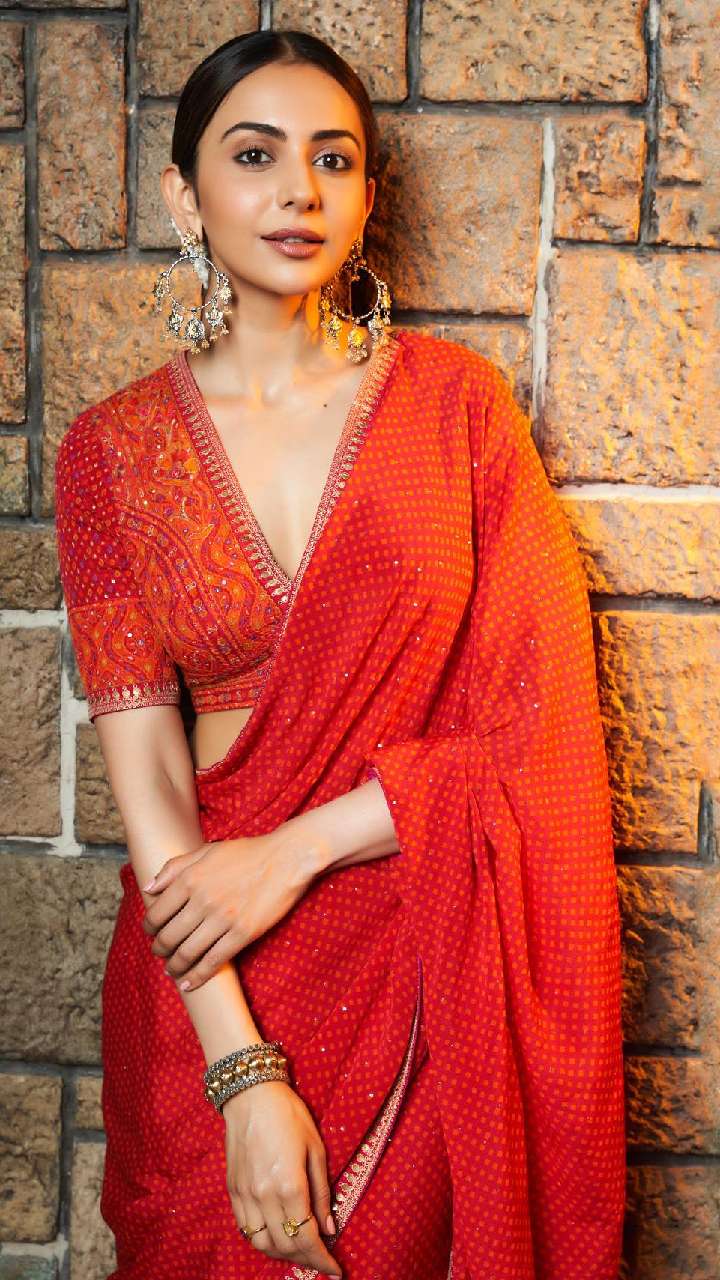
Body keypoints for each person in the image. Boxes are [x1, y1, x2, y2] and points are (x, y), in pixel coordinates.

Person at [53, 28, 626, 1280]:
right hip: (210, 976)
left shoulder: (457, 411)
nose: (299, 191)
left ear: (367, 195)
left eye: (333, 158)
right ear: (184, 195)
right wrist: (242, 1071)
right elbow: (152, 789)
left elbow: (536, 731)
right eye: (254, 155)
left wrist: (297, 847)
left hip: (420, 959)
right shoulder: (110, 451)